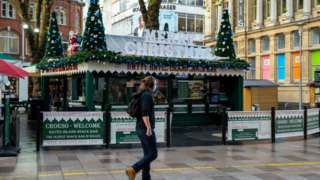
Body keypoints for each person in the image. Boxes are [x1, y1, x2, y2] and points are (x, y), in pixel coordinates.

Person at [126, 76, 158, 180]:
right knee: (153, 154)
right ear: (152, 85)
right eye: (155, 84)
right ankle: (133, 169)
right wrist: (148, 128)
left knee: (147, 155)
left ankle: (146, 177)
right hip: (145, 129)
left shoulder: (142, 94)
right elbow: (145, 113)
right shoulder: (147, 95)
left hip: (140, 128)